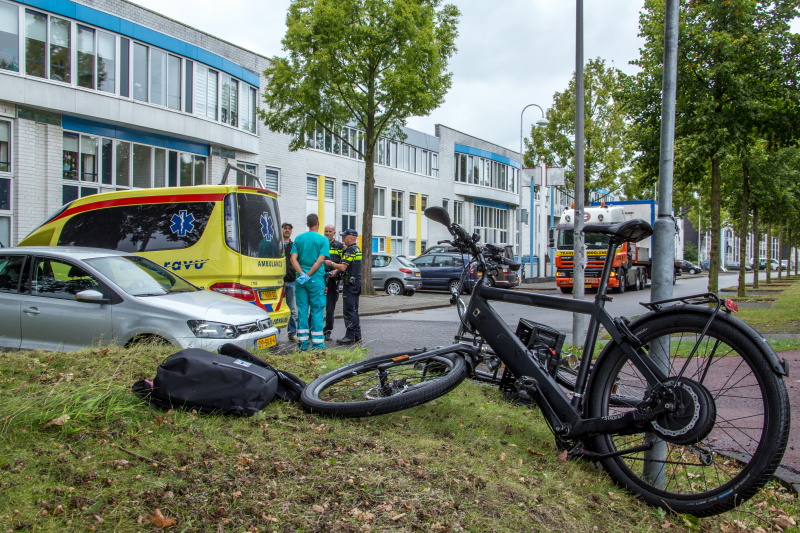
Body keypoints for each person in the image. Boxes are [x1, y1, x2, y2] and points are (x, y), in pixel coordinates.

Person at [290, 214, 330, 351]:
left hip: (301, 281)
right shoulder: (323, 239)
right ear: (318, 223)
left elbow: (293, 259)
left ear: (307, 224)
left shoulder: (299, 238)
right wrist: (308, 274)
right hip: (316, 279)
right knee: (317, 311)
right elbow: (320, 261)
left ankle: (302, 344)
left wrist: (302, 274)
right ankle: (317, 346)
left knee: (302, 311)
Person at [325, 229, 361, 345]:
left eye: (344, 236)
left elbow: (343, 267)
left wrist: (331, 264)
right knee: (354, 310)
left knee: (348, 310)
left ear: (350, 237)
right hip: (356, 282)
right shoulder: (357, 249)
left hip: (350, 284)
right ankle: (357, 335)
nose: (342, 239)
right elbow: (348, 265)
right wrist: (336, 270)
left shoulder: (350, 250)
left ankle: (350, 336)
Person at [323, 224, 345, 341]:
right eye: (326, 231)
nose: (328, 233)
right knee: (316, 304)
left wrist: (336, 270)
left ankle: (327, 331)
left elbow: (343, 263)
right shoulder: (321, 243)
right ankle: (313, 330)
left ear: (334, 232)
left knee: (330, 307)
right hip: (321, 278)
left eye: (330, 231)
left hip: (332, 280)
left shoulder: (339, 246)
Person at [281, 222, 298, 343]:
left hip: (291, 280)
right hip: (278, 281)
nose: (287, 230)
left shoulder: (293, 246)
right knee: (275, 308)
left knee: (292, 309)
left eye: (289, 229)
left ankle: (292, 333)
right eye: (285, 228)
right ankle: (274, 333)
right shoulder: (276, 245)